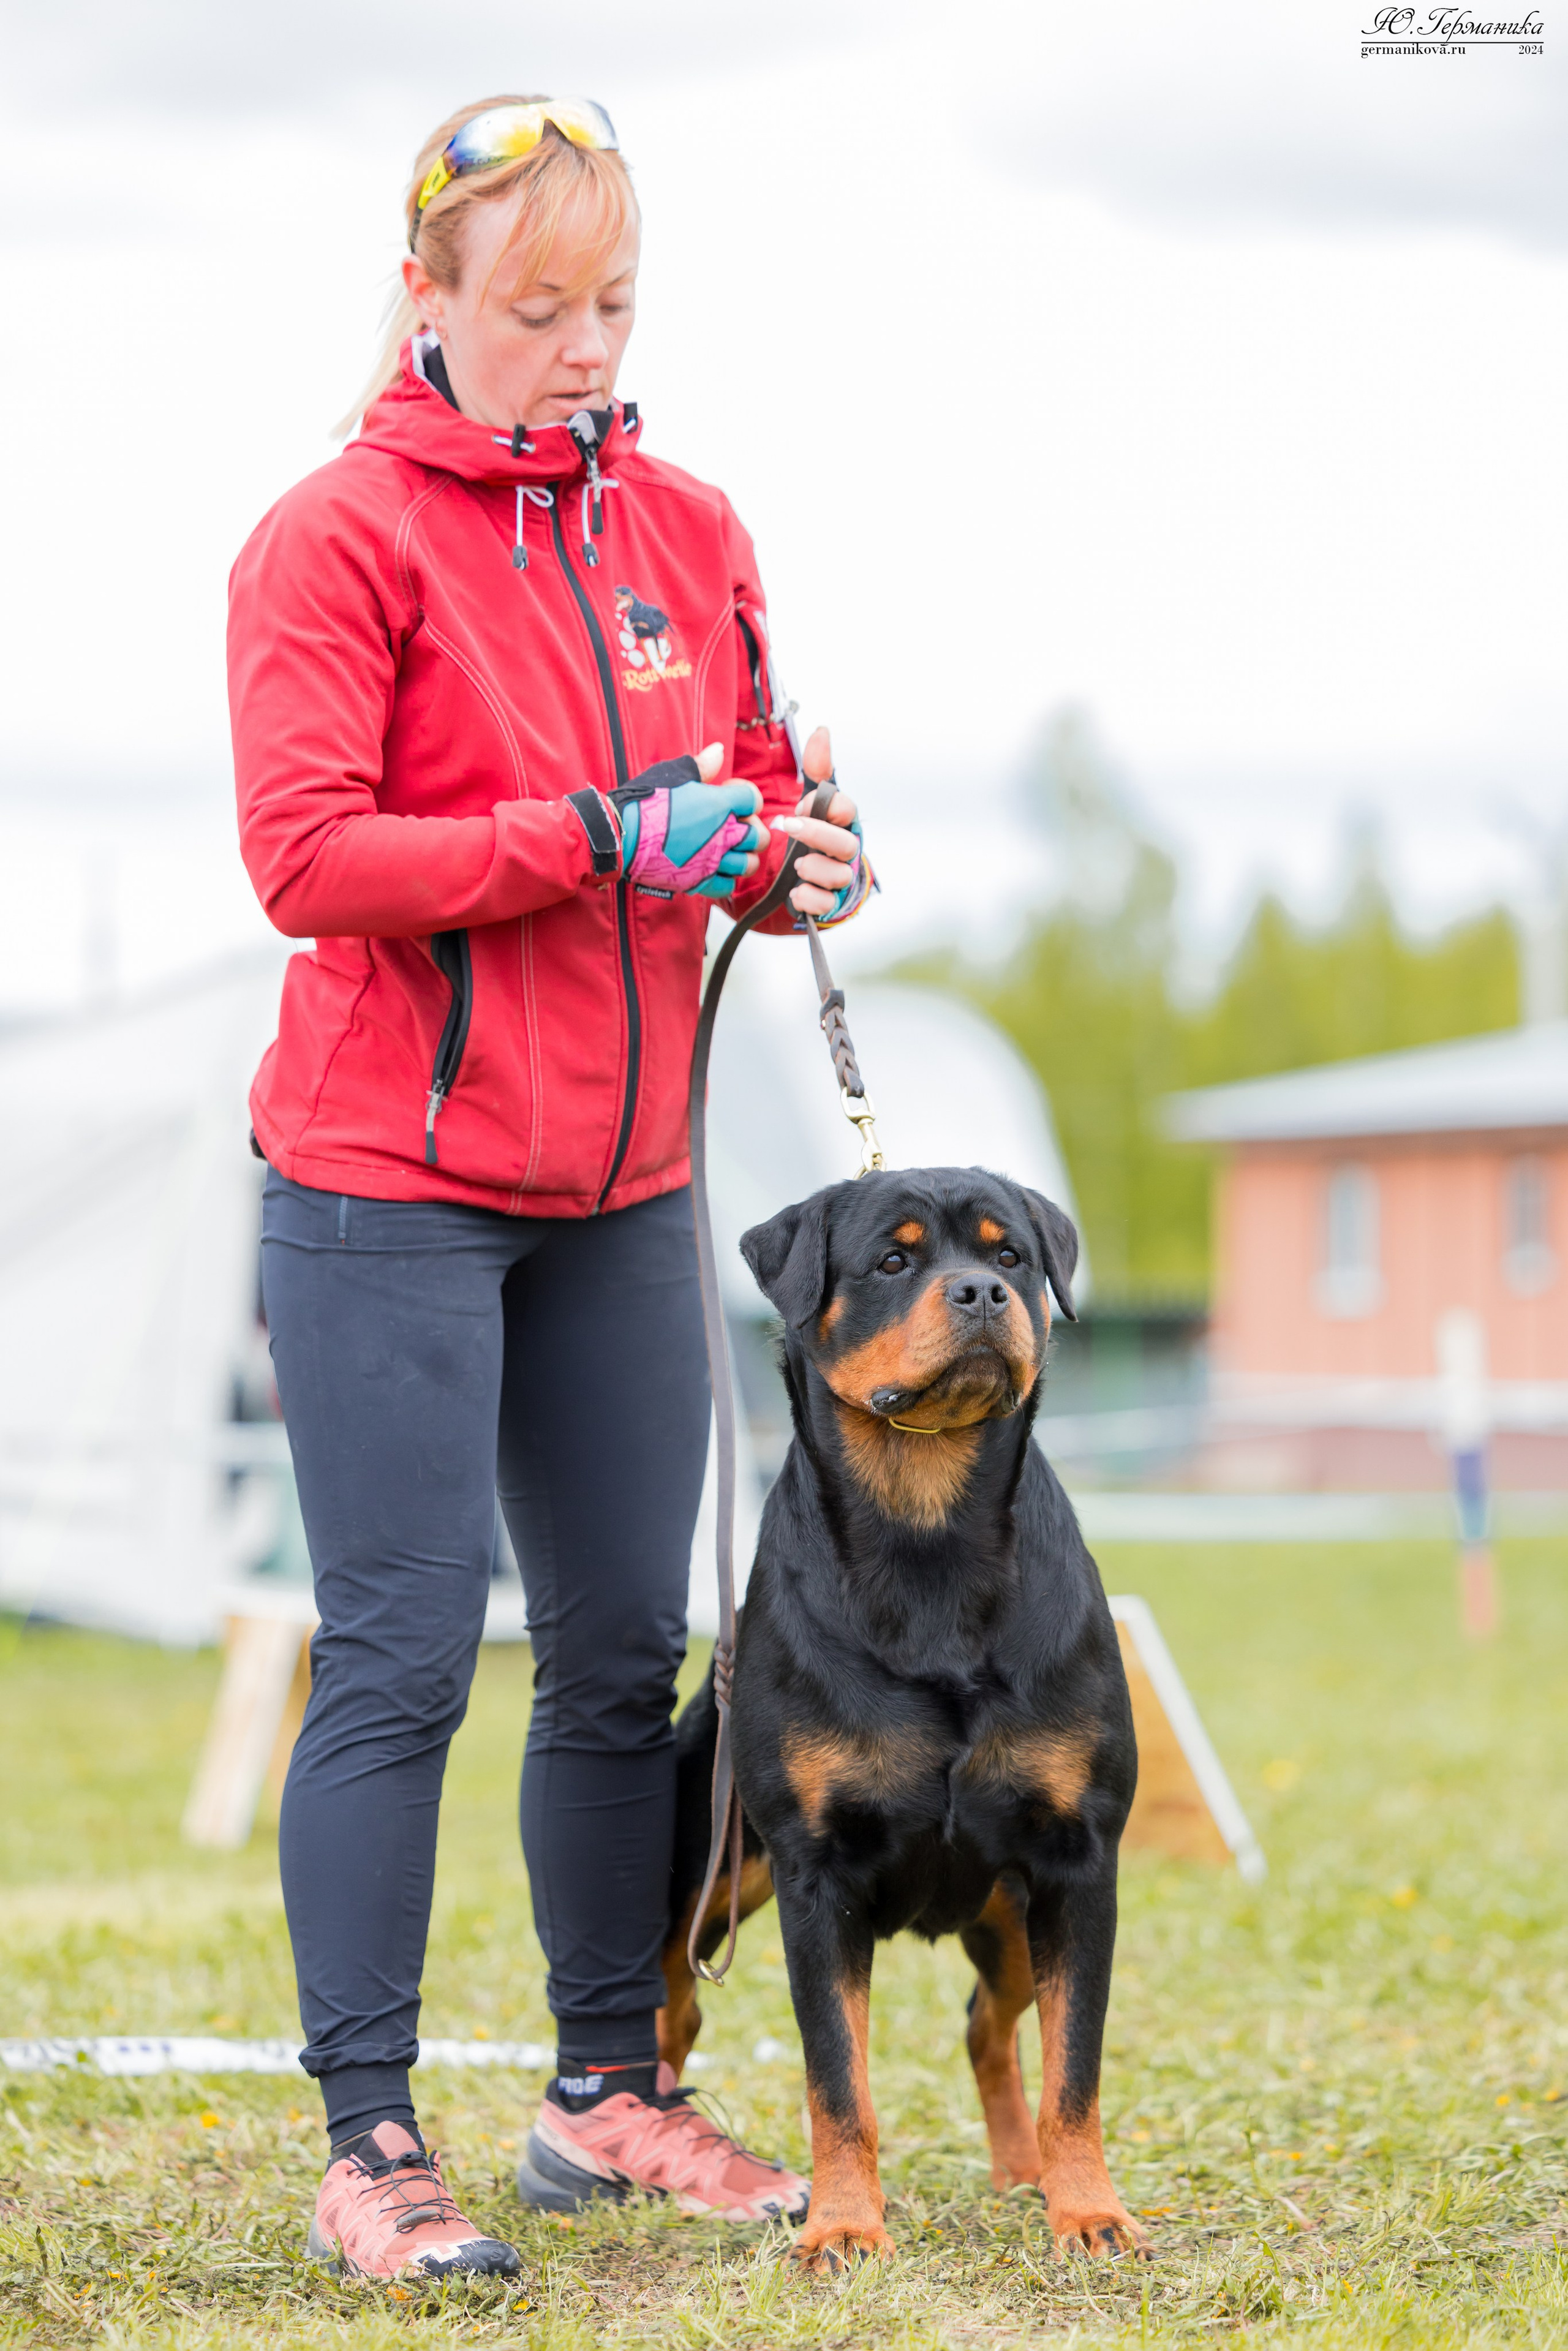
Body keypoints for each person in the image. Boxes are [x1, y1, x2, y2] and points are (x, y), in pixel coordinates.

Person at [228, 94, 873, 2280]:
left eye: (614, 304)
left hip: (622, 1188)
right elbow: (310, 857)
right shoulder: (333, 539)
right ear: (424, 295)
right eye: (537, 308)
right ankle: (368, 2144)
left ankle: (610, 2094)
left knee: (622, 1647)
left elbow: (750, 792)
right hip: (384, 1181)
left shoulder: (690, 527)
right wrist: (601, 836)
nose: (585, 347)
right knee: (403, 1655)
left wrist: (793, 859)